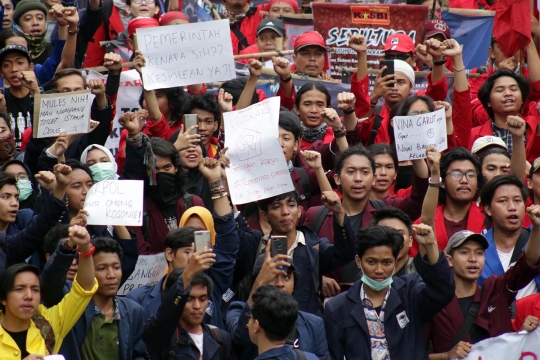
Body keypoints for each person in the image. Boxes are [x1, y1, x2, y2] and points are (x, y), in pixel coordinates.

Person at [127, 156, 240, 330]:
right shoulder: (139, 299)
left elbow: (228, 239)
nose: (196, 259)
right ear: (169, 253)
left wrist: (215, 180)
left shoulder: (213, 283)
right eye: (188, 252)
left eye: (199, 251)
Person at [323, 224, 454, 359]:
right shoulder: (337, 308)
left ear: (396, 261)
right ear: (358, 261)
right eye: (371, 262)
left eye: (386, 262)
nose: (379, 270)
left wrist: (431, 246)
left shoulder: (410, 292)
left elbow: (442, 292)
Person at [303, 145, 429, 285]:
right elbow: (301, 257)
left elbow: (419, 199)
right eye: (351, 172)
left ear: (373, 178)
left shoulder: (385, 209)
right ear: (337, 179)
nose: (358, 179)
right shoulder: (316, 216)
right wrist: (318, 278)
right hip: (329, 301)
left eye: (364, 172)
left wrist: (417, 156)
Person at [424, 210, 540, 359]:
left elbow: (526, 265)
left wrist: (536, 228)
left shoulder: (495, 290)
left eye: (479, 253)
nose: (473, 259)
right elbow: (416, 352)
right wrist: (446, 356)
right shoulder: (434, 303)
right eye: (464, 252)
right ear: (449, 260)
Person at [253, 189, 356, 315]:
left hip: (306, 326)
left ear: (299, 211)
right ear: (264, 215)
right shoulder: (257, 247)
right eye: (276, 207)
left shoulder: (314, 247)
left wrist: (339, 212)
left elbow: (346, 253)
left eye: (291, 205)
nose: (285, 212)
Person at [0, 225, 97, 357]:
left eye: (35, 290)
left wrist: (85, 247)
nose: (29, 296)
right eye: (19, 289)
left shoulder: (48, 324)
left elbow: (84, 289)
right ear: (3, 298)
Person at [226, 242, 329, 360]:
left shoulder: (313, 323)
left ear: (294, 284)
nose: (280, 284)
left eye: (286, 277)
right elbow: (240, 337)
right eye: (272, 277)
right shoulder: (238, 310)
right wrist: (259, 283)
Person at [142, 259, 236, 359]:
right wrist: (188, 274)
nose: (197, 306)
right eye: (189, 299)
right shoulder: (161, 336)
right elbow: (163, 318)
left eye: (202, 299)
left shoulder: (221, 339)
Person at [470, 41, 540, 163]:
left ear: (523, 98)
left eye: (513, 89)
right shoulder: (474, 134)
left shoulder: (535, 125)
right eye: (500, 90)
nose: (508, 93)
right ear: (488, 102)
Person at [409, 147, 486, 256]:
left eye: (471, 175)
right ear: (442, 182)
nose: (464, 180)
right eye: (456, 174)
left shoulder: (489, 220)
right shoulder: (420, 227)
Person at [477, 175, 539, 298]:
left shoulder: (537, 238)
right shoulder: (476, 247)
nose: (512, 207)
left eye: (517, 200)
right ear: (488, 209)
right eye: (502, 201)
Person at [182, 94, 221, 158]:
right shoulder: (178, 151)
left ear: (215, 125)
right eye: (196, 121)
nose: (202, 128)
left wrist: (225, 111)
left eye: (208, 122)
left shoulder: (220, 148)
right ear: (185, 123)